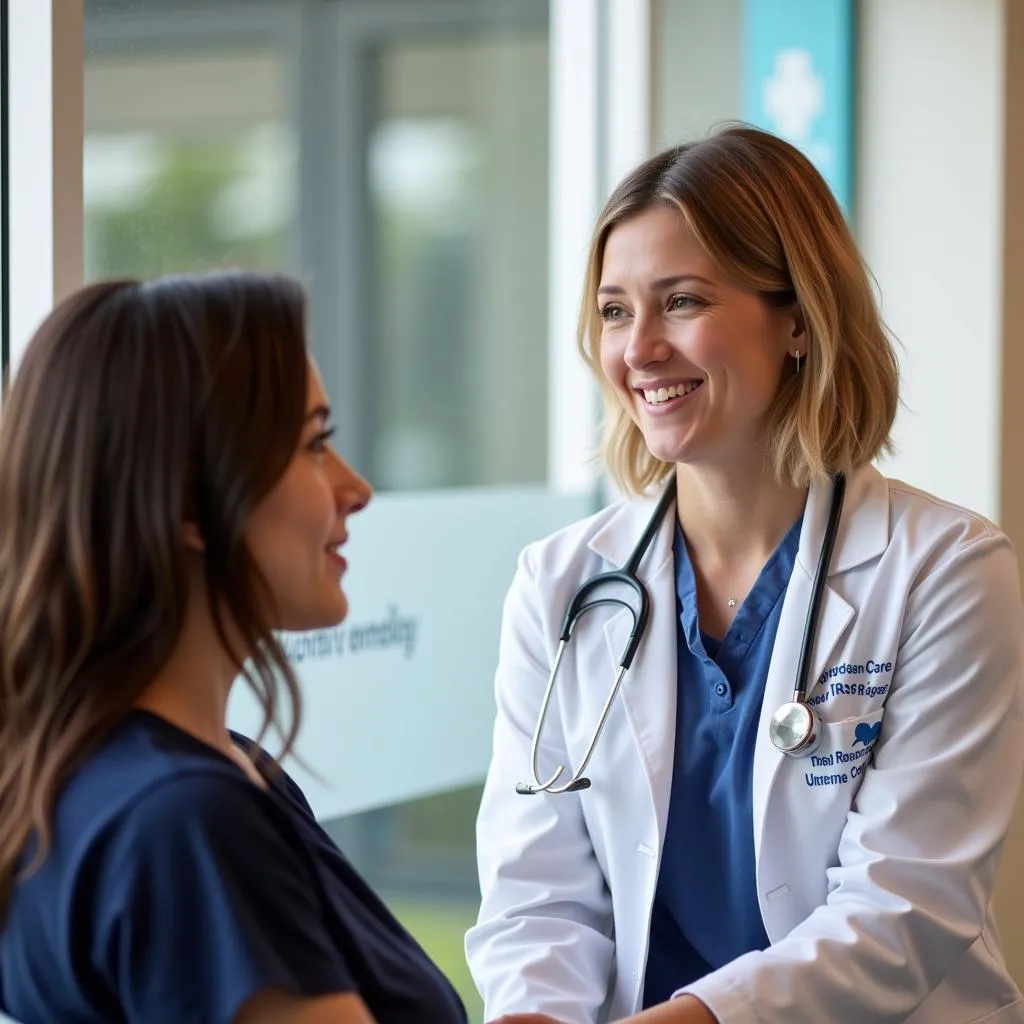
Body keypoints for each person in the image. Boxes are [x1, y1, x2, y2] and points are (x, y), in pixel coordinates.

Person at [465, 126, 1024, 1024]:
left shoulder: (945, 573)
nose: (638, 349)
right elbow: (538, 896)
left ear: (797, 319)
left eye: (680, 301)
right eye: (614, 311)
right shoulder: (561, 584)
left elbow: (904, 911)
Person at [0, 271, 468, 1024]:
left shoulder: (130, 775)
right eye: (315, 444)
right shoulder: (188, 822)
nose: (357, 489)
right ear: (190, 502)